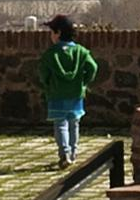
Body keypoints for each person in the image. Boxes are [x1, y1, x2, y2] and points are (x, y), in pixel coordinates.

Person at [34, 16, 100, 169]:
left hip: (56, 95)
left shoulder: (50, 54)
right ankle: (74, 152)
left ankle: (64, 153)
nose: (51, 35)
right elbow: (93, 67)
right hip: (76, 94)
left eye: (52, 32)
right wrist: (84, 82)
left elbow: (43, 73)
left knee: (60, 124)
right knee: (74, 123)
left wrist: (48, 82)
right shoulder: (81, 52)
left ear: (58, 33)